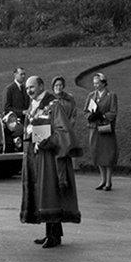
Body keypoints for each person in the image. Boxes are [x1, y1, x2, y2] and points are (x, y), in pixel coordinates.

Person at [21, 76, 82, 248]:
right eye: (27, 88)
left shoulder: (54, 105)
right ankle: (51, 232)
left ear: (41, 86)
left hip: (50, 157)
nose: (29, 91)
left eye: (32, 87)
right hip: (37, 156)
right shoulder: (33, 106)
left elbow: (63, 130)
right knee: (44, 193)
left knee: (50, 192)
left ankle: (54, 235)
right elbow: (32, 130)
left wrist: (46, 141)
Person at [84, 73, 118, 190]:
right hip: (94, 129)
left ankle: (108, 181)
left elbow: (113, 112)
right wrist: (90, 116)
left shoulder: (111, 95)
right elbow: (85, 111)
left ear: (103, 82)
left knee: (107, 155)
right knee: (97, 154)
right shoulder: (91, 95)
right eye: (94, 83)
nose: (95, 85)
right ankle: (102, 180)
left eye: (97, 83)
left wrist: (102, 116)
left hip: (105, 128)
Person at [2, 67, 29, 137]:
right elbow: (6, 108)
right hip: (14, 124)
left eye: (24, 74)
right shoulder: (9, 89)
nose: (23, 76)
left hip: (26, 123)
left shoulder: (26, 89)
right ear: (15, 75)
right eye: (21, 74)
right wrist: (22, 112)